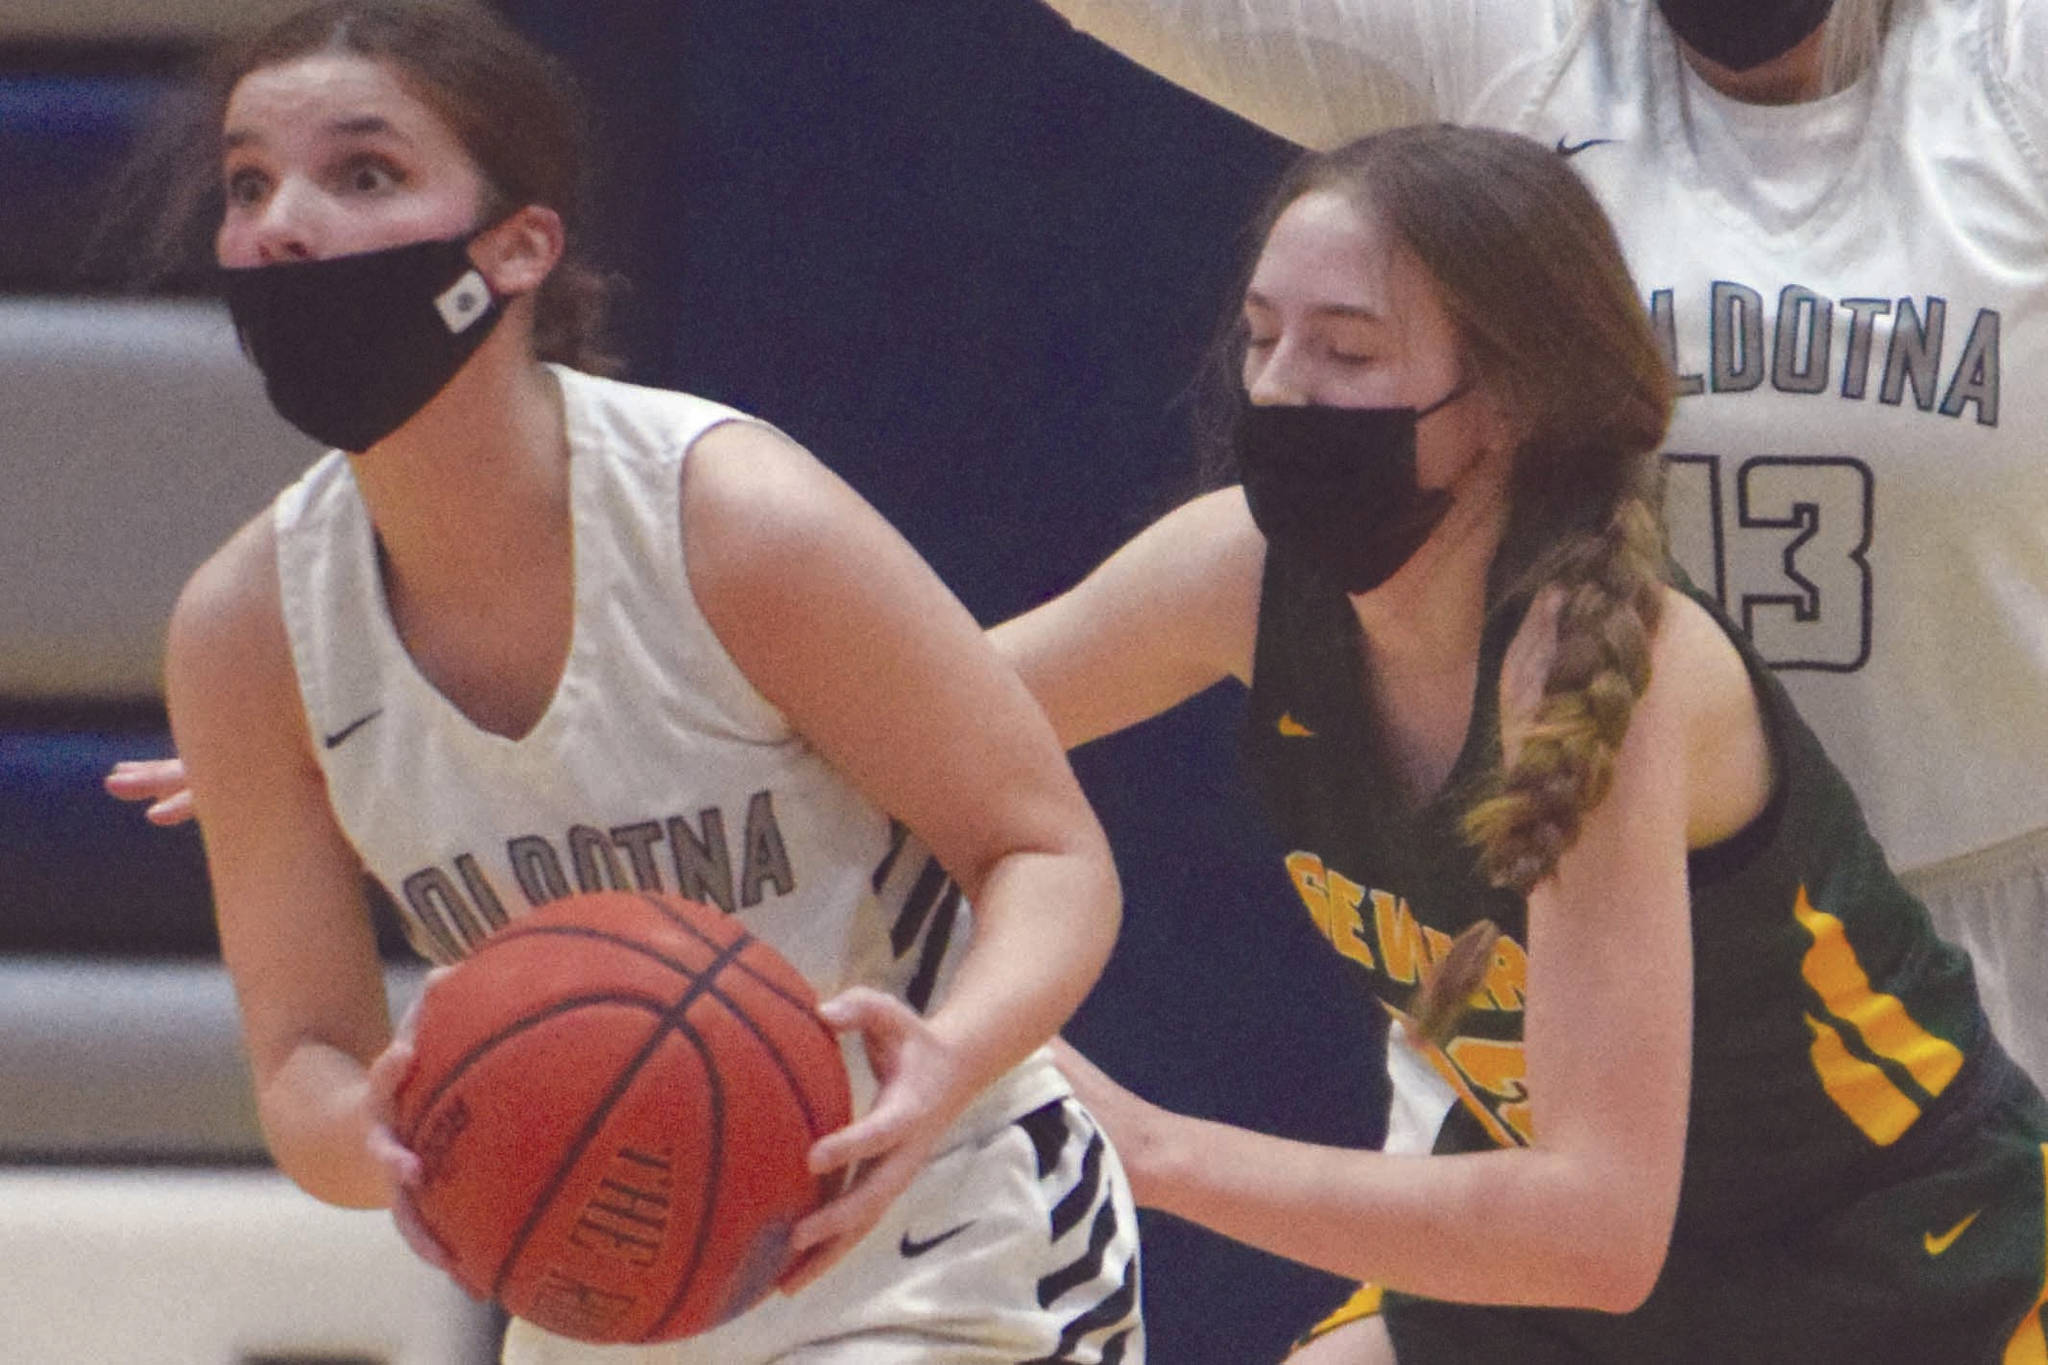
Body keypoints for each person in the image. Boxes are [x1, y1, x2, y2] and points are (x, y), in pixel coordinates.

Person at [124, 4, 1142, 1362]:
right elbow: (307, 1055)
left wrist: (944, 1059)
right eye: (251, 183)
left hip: (938, 1246)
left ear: (518, 248)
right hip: (603, 1288)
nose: (283, 224)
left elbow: (1048, 850)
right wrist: (387, 1139)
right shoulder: (245, 631)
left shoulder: (732, 520)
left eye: (363, 173)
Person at [986, 122, 2048, 1361]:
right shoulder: (1236, 575)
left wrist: (1152, 1149)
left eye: (1344, 350)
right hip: (1580, 1277)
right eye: (1262, 337)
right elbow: (903, 728)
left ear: (1507, 399)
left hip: (1903, 1265)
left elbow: (1595, 1227)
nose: (1279, 390)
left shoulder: (1601, 668)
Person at [1028, 0, 2048, 1095]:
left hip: (1979, 916)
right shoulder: (1521, 43)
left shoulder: (2008, 65)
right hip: (1566, 917)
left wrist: (1154, 1146)